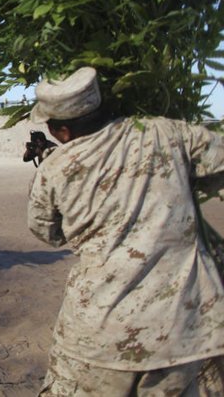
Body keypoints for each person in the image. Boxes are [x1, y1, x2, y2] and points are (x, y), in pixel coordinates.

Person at [27, 67, 224, 395]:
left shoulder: (56, 169)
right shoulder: (167, 133)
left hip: (99, 338)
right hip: (180, 334)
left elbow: (46, 231)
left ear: (59, 130)